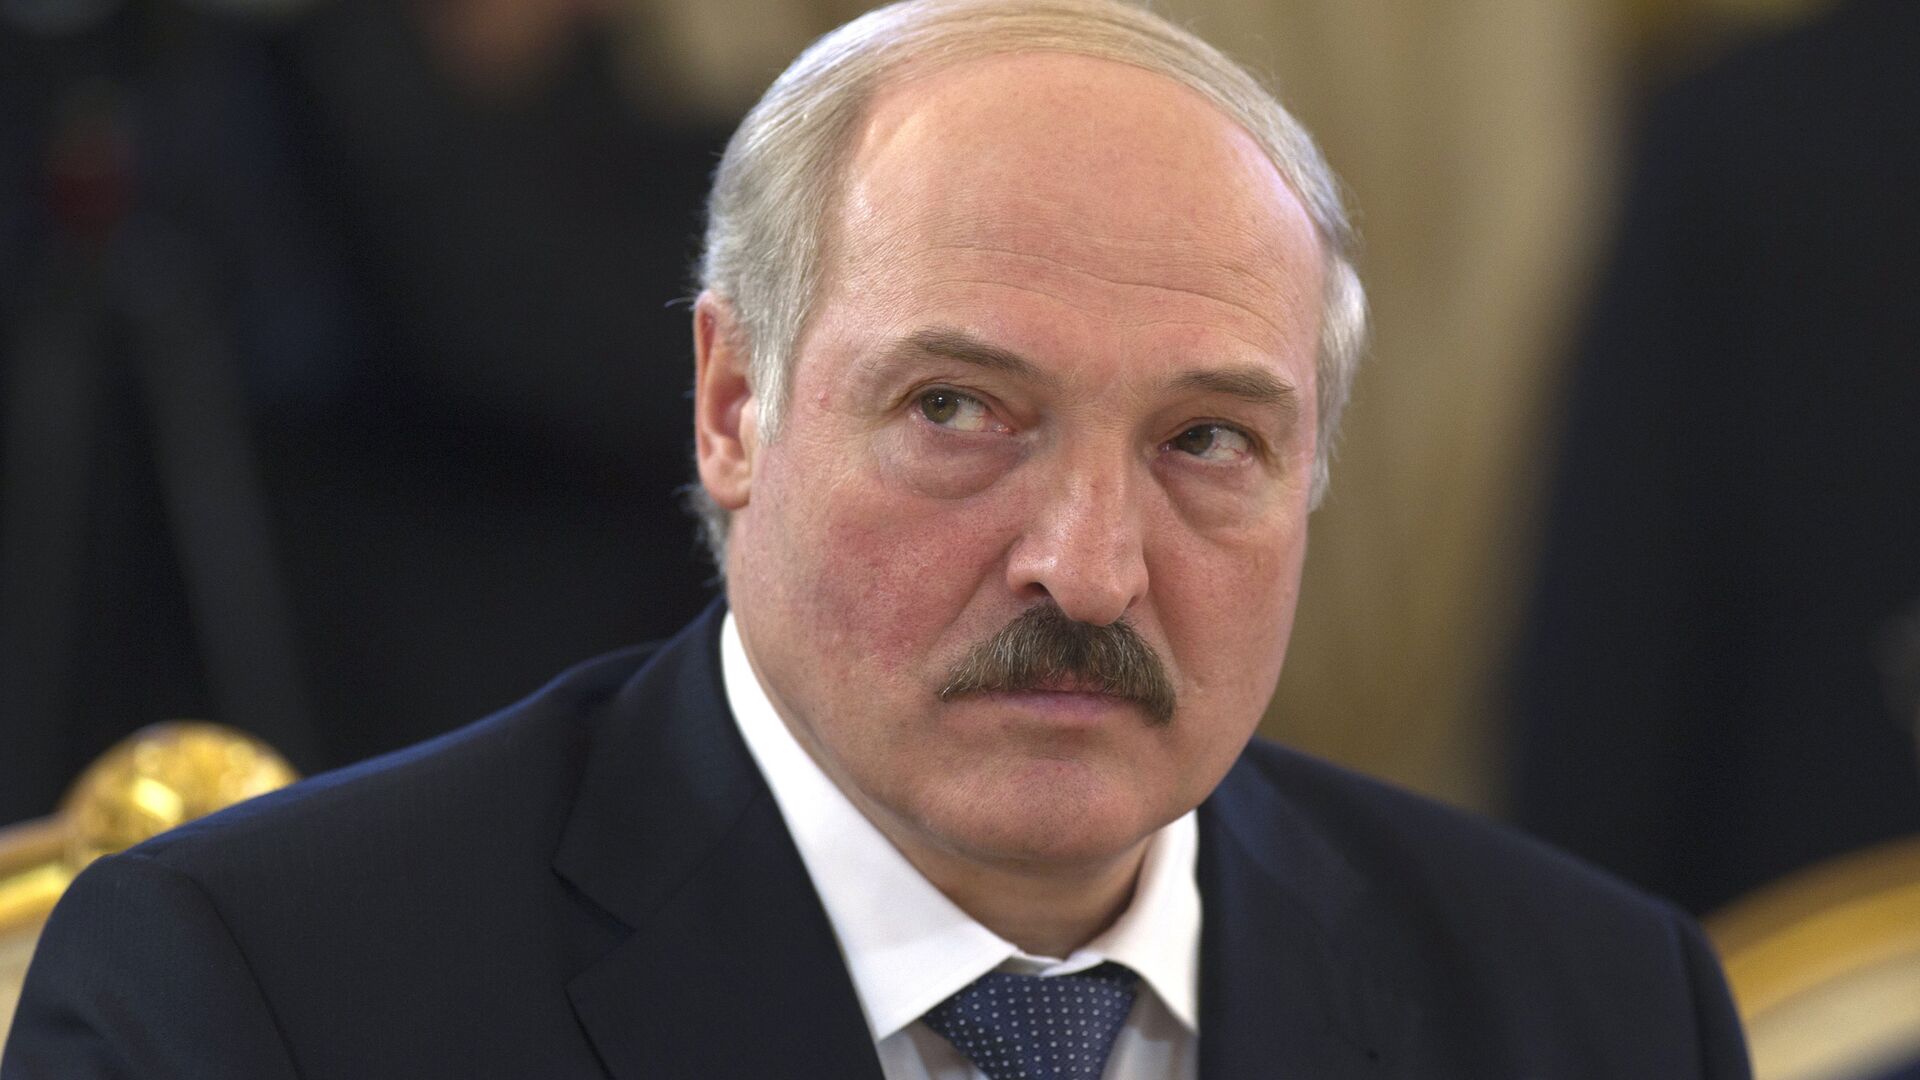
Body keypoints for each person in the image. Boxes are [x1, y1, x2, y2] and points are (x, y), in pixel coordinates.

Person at [3, 1, 1750, 1077]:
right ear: (732, 408)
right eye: (961, 412)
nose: (1091, 569)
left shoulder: (1600, 1013)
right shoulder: (262, 999)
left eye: (1208, 442)